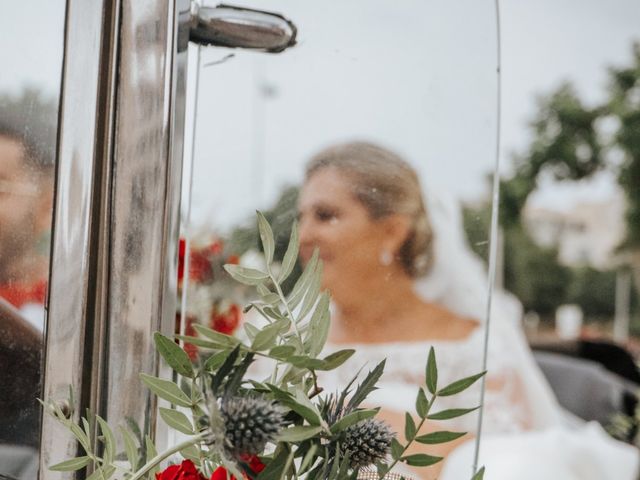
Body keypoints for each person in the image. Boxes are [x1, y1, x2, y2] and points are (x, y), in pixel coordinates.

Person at [296, 141, 639, 480]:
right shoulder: (286, 339)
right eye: (302, 217)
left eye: (325, 215)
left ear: (392, 231)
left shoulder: (477, 350)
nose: (304, 234)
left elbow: (511, 468)